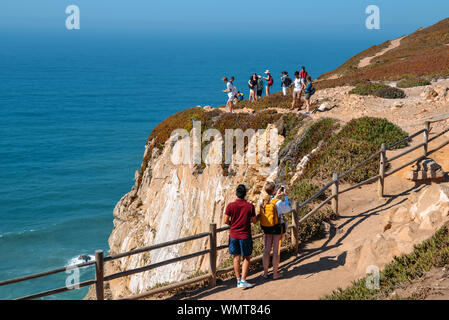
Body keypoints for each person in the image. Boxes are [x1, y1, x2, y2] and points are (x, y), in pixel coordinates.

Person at [224, 184, 258, 288]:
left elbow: (225, 221)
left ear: (236, 193)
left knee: (236, 257)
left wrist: (233, 225)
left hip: (233, 235)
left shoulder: (230, 206)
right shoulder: (250, 206)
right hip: (245, 235)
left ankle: (238, 281)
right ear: (245, 194)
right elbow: (255, 221)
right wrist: (259, 216)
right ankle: (243, 280)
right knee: (246, 257)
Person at [258, 182, 292, 280]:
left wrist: (275, 195)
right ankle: (275, 274)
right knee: (276, 251)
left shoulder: (262, 201)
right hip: (277, 228)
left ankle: (265, 273)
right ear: (273, 190)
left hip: (266, 228)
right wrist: (285, 196)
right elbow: (288, 209)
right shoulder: (278, 202)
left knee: (267, 250)